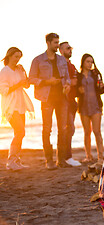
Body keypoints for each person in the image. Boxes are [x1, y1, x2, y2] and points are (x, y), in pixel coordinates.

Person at [29, 33, 71, 170]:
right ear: (48, 43)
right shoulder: (38, 60)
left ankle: (61, 160)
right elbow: (31, 79)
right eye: (55, 42)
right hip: (46, 99)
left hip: (62, 98)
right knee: (47, 129)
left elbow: (68, 78)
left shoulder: (61, 60)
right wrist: (47, 81)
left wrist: (67, 85)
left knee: (63, 130)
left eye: (58, 42)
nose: (58, 45)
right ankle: (49, 161)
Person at [0, 47, 34, 170]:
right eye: (16, 56)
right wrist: (19, 84)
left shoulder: (19, 70)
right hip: (10, 106)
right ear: (9, 56)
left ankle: (16, 161)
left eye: (19, 57)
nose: (18, 59)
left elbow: (27, 85)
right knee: (20, 132)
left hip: (20, 105)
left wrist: (24, 73)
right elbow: (3, 91)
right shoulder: (5, 71)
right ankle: (11, 161)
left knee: (19, 133)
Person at [77, 54, 104, 164]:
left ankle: (100, 157)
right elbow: (75, 92)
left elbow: (102, 91)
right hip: (83, 106)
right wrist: (79, 90)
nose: (90, 64)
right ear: (83, 62)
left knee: (97, 131)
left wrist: (101, 86)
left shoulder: (95, 74)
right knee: (87, 132)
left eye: (91, 62)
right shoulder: (78, 76)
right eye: (88, 61)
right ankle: (88, 156)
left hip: (95, 105)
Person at [58, 42, 81, 167]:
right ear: (61, 50)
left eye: (71, 48)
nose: (70, 50)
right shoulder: (61, 65)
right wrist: (71, 82)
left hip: (72, 100)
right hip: (64, 100)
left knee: (70, 129)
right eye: (67, 48)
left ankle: (67, 156)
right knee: (67, 129)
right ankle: (66, 157)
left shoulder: (71, 65)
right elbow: (66, 81)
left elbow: (75, 81)